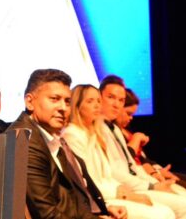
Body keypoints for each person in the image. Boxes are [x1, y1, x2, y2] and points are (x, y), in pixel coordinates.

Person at [8, 69, 126, 219]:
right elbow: (46, 213)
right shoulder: (24, 140)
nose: (63, 108)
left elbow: (74, 200)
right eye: (54, 99)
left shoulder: (52, 138)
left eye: (67, 101)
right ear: (30, 102)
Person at [64, 84, 175, 219]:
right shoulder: (72, 135)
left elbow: (109, 174)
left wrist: (125, 190)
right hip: (98, 200)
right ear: (77, 105)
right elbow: (87, 182)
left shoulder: (94, 133)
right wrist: (125, 194)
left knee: (167, 209)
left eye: (98, 101)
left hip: (111, 192)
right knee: (163, 213)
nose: (97, 105)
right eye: (90, 101)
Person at [99, 76, 186, 219]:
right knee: (181, 208)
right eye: (111, 97)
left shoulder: (114, 129)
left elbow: (132, 166)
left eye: (121, 100)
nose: (116, 104)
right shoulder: (96, 130)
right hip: (121, 189)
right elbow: (117, 173)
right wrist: (152, 186)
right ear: (99, 97)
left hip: (134, 184)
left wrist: (155, 181)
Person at [118, 89, 186, 196]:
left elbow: (142, 158)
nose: (131, 118)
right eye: (128, 113)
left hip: (146, 170)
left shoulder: (127, 130)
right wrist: (154, 173)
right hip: (137, 174)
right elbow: (127, 160)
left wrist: (157, 169)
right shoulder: (115, 133)